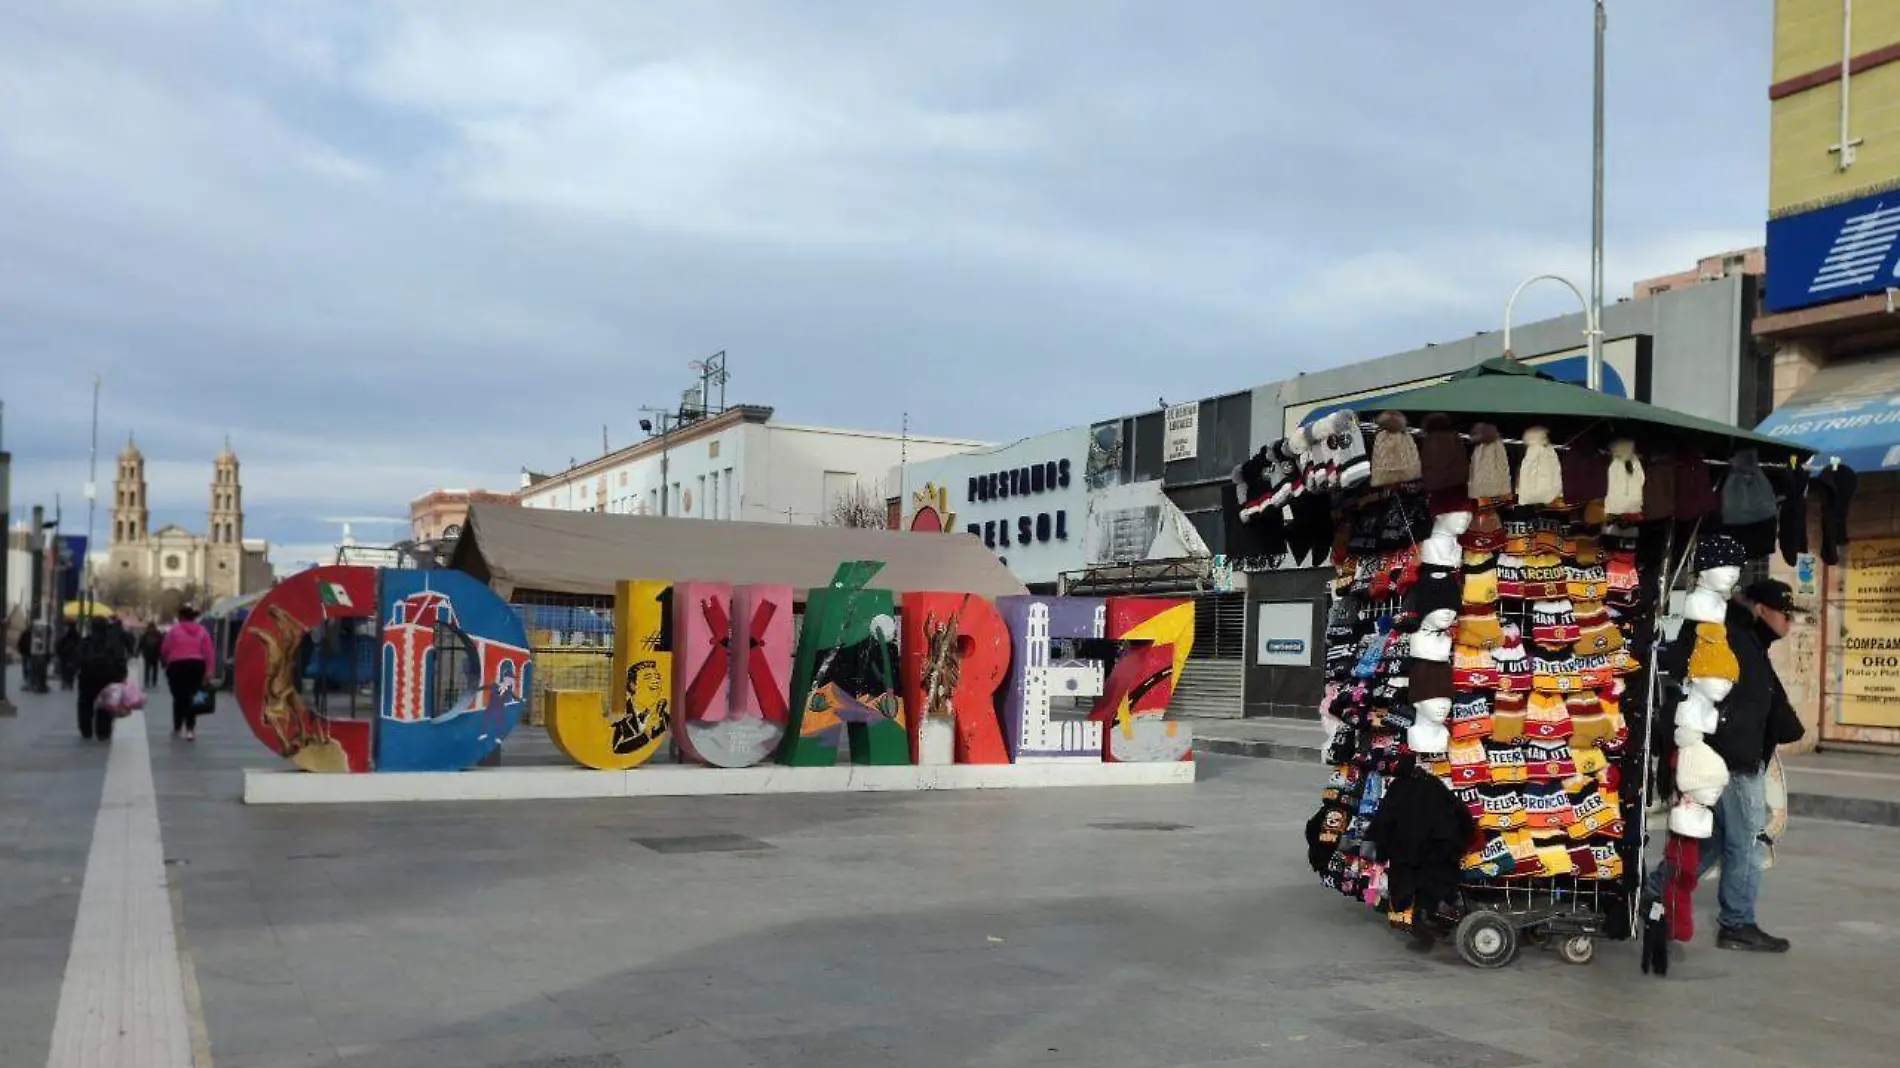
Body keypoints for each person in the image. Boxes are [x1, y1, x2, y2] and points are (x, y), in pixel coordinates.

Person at [1648, 579, 1807, 953]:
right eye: (1785, 614)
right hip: (1733, 760)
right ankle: (1737, 923)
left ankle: (1655, 889)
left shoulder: (1751, 641)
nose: (1789, 622)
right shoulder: (1730, 636)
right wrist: (1731, 734)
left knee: (1718, 841)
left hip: (1733, 755)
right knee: (1746, 843)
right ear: (1761, 609)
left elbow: (1764, 700)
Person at [160, 604, 215, 741]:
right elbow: (208, 652)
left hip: (177, 666)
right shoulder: (202, 631)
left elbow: (165, 648)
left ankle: (178, 728)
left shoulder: (173, 630)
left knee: (179, 698)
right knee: (194, 697)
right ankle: (190, 729)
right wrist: (209, 671)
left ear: (181, 617)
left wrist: (166, 661)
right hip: (197, 666)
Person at [75, 618, 129, 741]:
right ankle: (103, 731)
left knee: (85, 704)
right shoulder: (112, 644)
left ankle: (86, 729)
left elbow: (78, 658)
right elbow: (120, 659)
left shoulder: (86, 642)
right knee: (105, 705)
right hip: (107, 678)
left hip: (87, 677)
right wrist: (122, 675)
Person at [54, 623, 79, 691]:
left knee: (65, 670)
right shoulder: (77, 636)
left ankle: (65, 683)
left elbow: (59, 646)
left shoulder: (65, 637)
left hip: (65, 657)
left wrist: (60, 655)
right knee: (71, 671)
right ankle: (69, 683)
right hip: (72, 657)